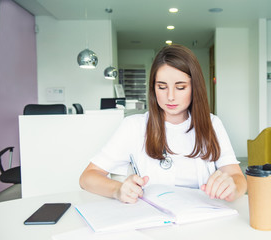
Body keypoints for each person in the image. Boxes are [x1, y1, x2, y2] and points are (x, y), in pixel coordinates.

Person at [79, 44, 247, 204]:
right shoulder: (133, 126)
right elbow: (87, 177)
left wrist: (232, 187)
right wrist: (118, 189)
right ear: (153, 88)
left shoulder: (212, 124)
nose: (171, 96)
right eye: (162, 87)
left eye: (180, 87)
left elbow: (237, 178)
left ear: (195, 88)